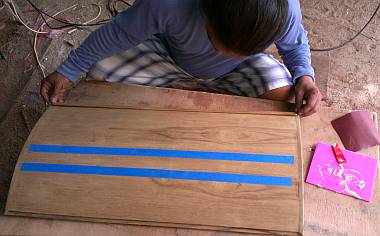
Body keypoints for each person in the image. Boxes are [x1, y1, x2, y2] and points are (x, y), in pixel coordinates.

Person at [41, 0, 321, 116]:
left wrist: (304, 76)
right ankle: (191, 86)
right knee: (101, 68)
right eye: (216, 41)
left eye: (242, 48)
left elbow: (295, 45)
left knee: (284, 91)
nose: (221, 52)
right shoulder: (168, 3)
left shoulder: (284, 10)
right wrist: (69, 69)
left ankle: (198, 87)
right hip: (170, 58)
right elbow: (120, 34)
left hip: (236, 72)